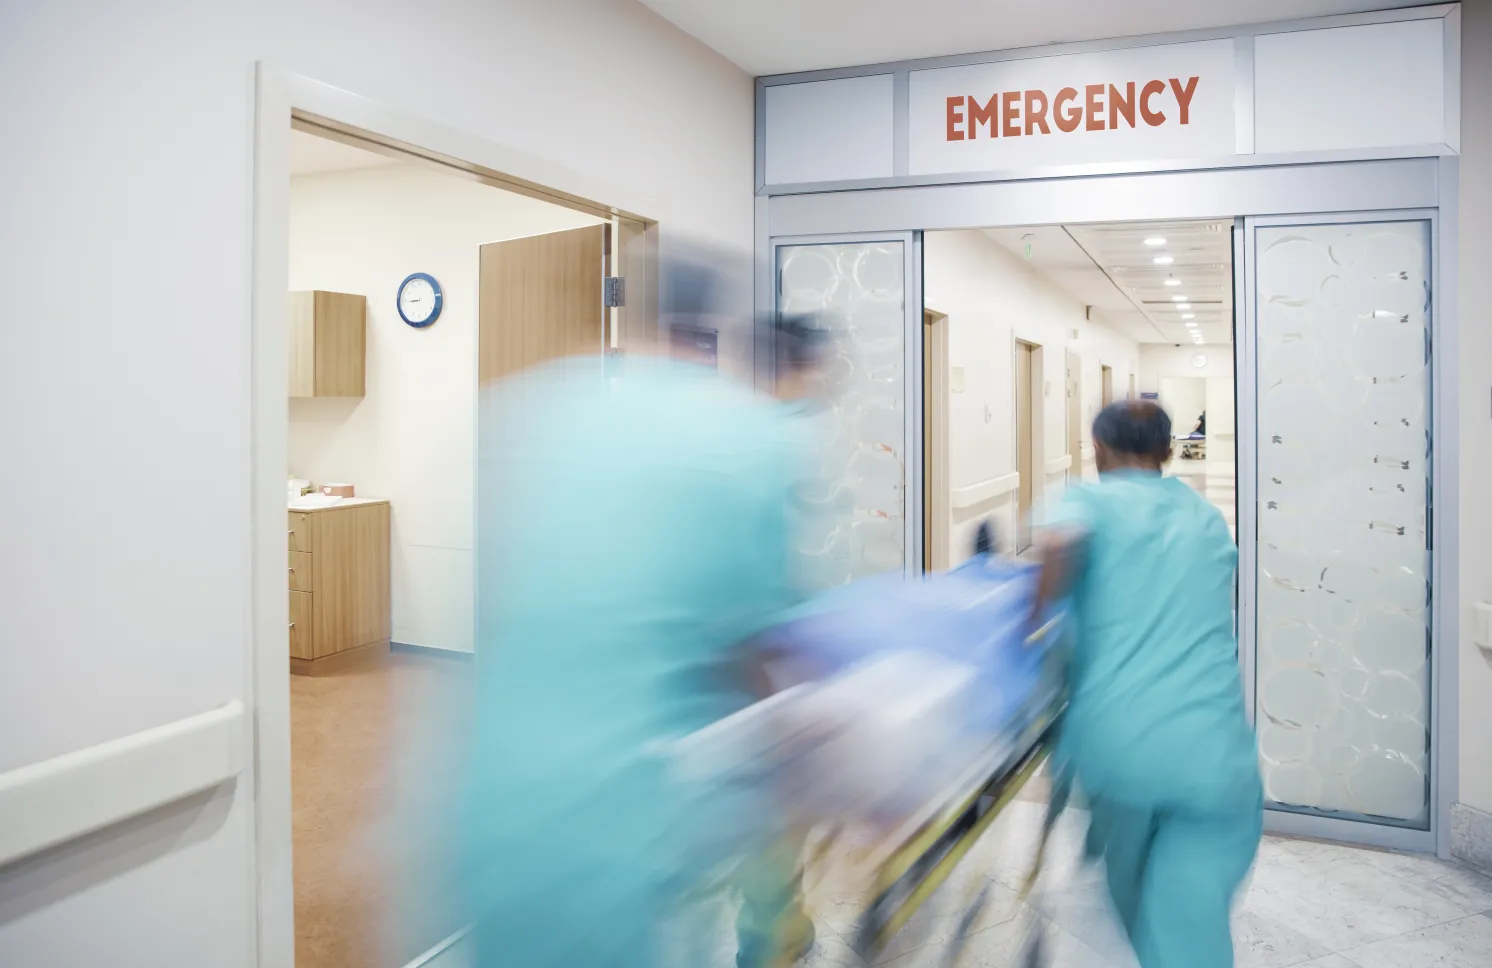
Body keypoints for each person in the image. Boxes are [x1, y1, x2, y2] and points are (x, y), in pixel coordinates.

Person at [455, 254, 820, 968]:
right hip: (624, 826)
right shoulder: (734, 437)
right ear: (713, 334)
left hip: (493, 809)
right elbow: (756, 648)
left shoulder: (535, 409)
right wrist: (807, 736)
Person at [1029, 401, 1261, 968]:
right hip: (1216, 750)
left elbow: (1058, 555)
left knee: (1140, 898)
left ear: (1098, 450)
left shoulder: (1086, 500)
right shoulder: (1206, 516)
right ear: (1166, 452)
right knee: (1192, 907)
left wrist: (1034, 616)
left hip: (1123, 745)